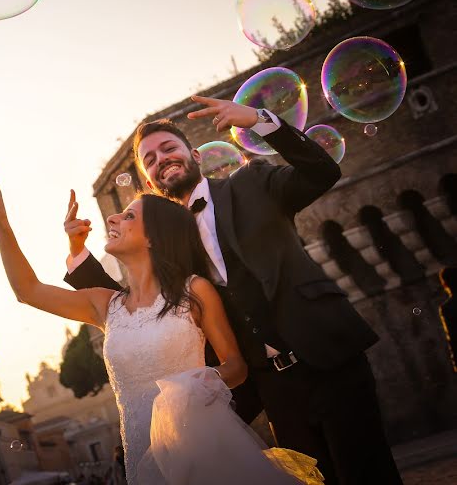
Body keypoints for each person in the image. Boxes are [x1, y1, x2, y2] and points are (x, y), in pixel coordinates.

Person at [62, 95, 401, 485]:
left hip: (329, 356)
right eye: (150, 160)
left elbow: (322, 172)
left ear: (194, 154)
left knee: (371, 474)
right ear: (148, 182)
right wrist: (78, 254)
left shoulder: (253, 182)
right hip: (270, 386)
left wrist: (259, 120)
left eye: (168, 149)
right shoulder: (165, 245)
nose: (161, 160)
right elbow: (131, 306)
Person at [0, 166, 318, 484]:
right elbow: (28, 291)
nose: (112, 218)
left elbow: (236, 367)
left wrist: (194, 384)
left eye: (128, 216)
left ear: (153, 236)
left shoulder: (194, 290)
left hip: (205, 451)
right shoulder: (104, 304)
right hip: (143, 462)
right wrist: (1, 223)